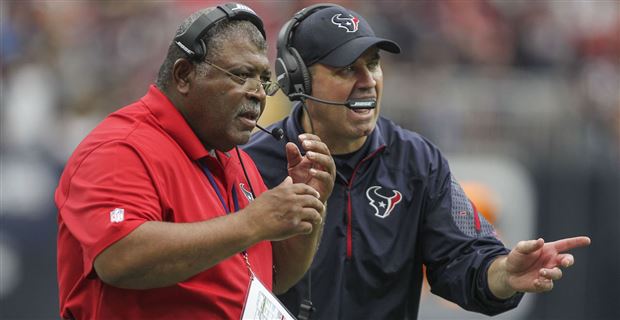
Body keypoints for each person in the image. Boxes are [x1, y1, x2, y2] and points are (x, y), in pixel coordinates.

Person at [244, 4, 591, 319]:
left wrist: (506, 275)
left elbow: (465, 258)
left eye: (374, 64)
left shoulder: (417, 160)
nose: (368, 82)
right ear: (298, 80)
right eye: (347, 69)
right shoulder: (252, 162)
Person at [55, 3, 335, 319]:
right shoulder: (120, 148)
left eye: (263, 79)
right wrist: (252, 222)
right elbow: (119, 258)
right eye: (242, 75)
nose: (258, 93)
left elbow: (278, 275)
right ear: (184, 75)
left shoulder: (235, 159)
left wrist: (308, 208)